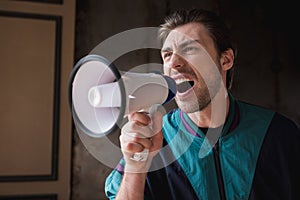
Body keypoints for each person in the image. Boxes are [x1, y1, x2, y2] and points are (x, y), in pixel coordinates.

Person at [105, 8, 300, 200]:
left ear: (226, 60)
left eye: (190, 49)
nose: (173, 63)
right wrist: (135, 168)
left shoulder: (279, 134)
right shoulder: (153, 140)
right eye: (167, 55)